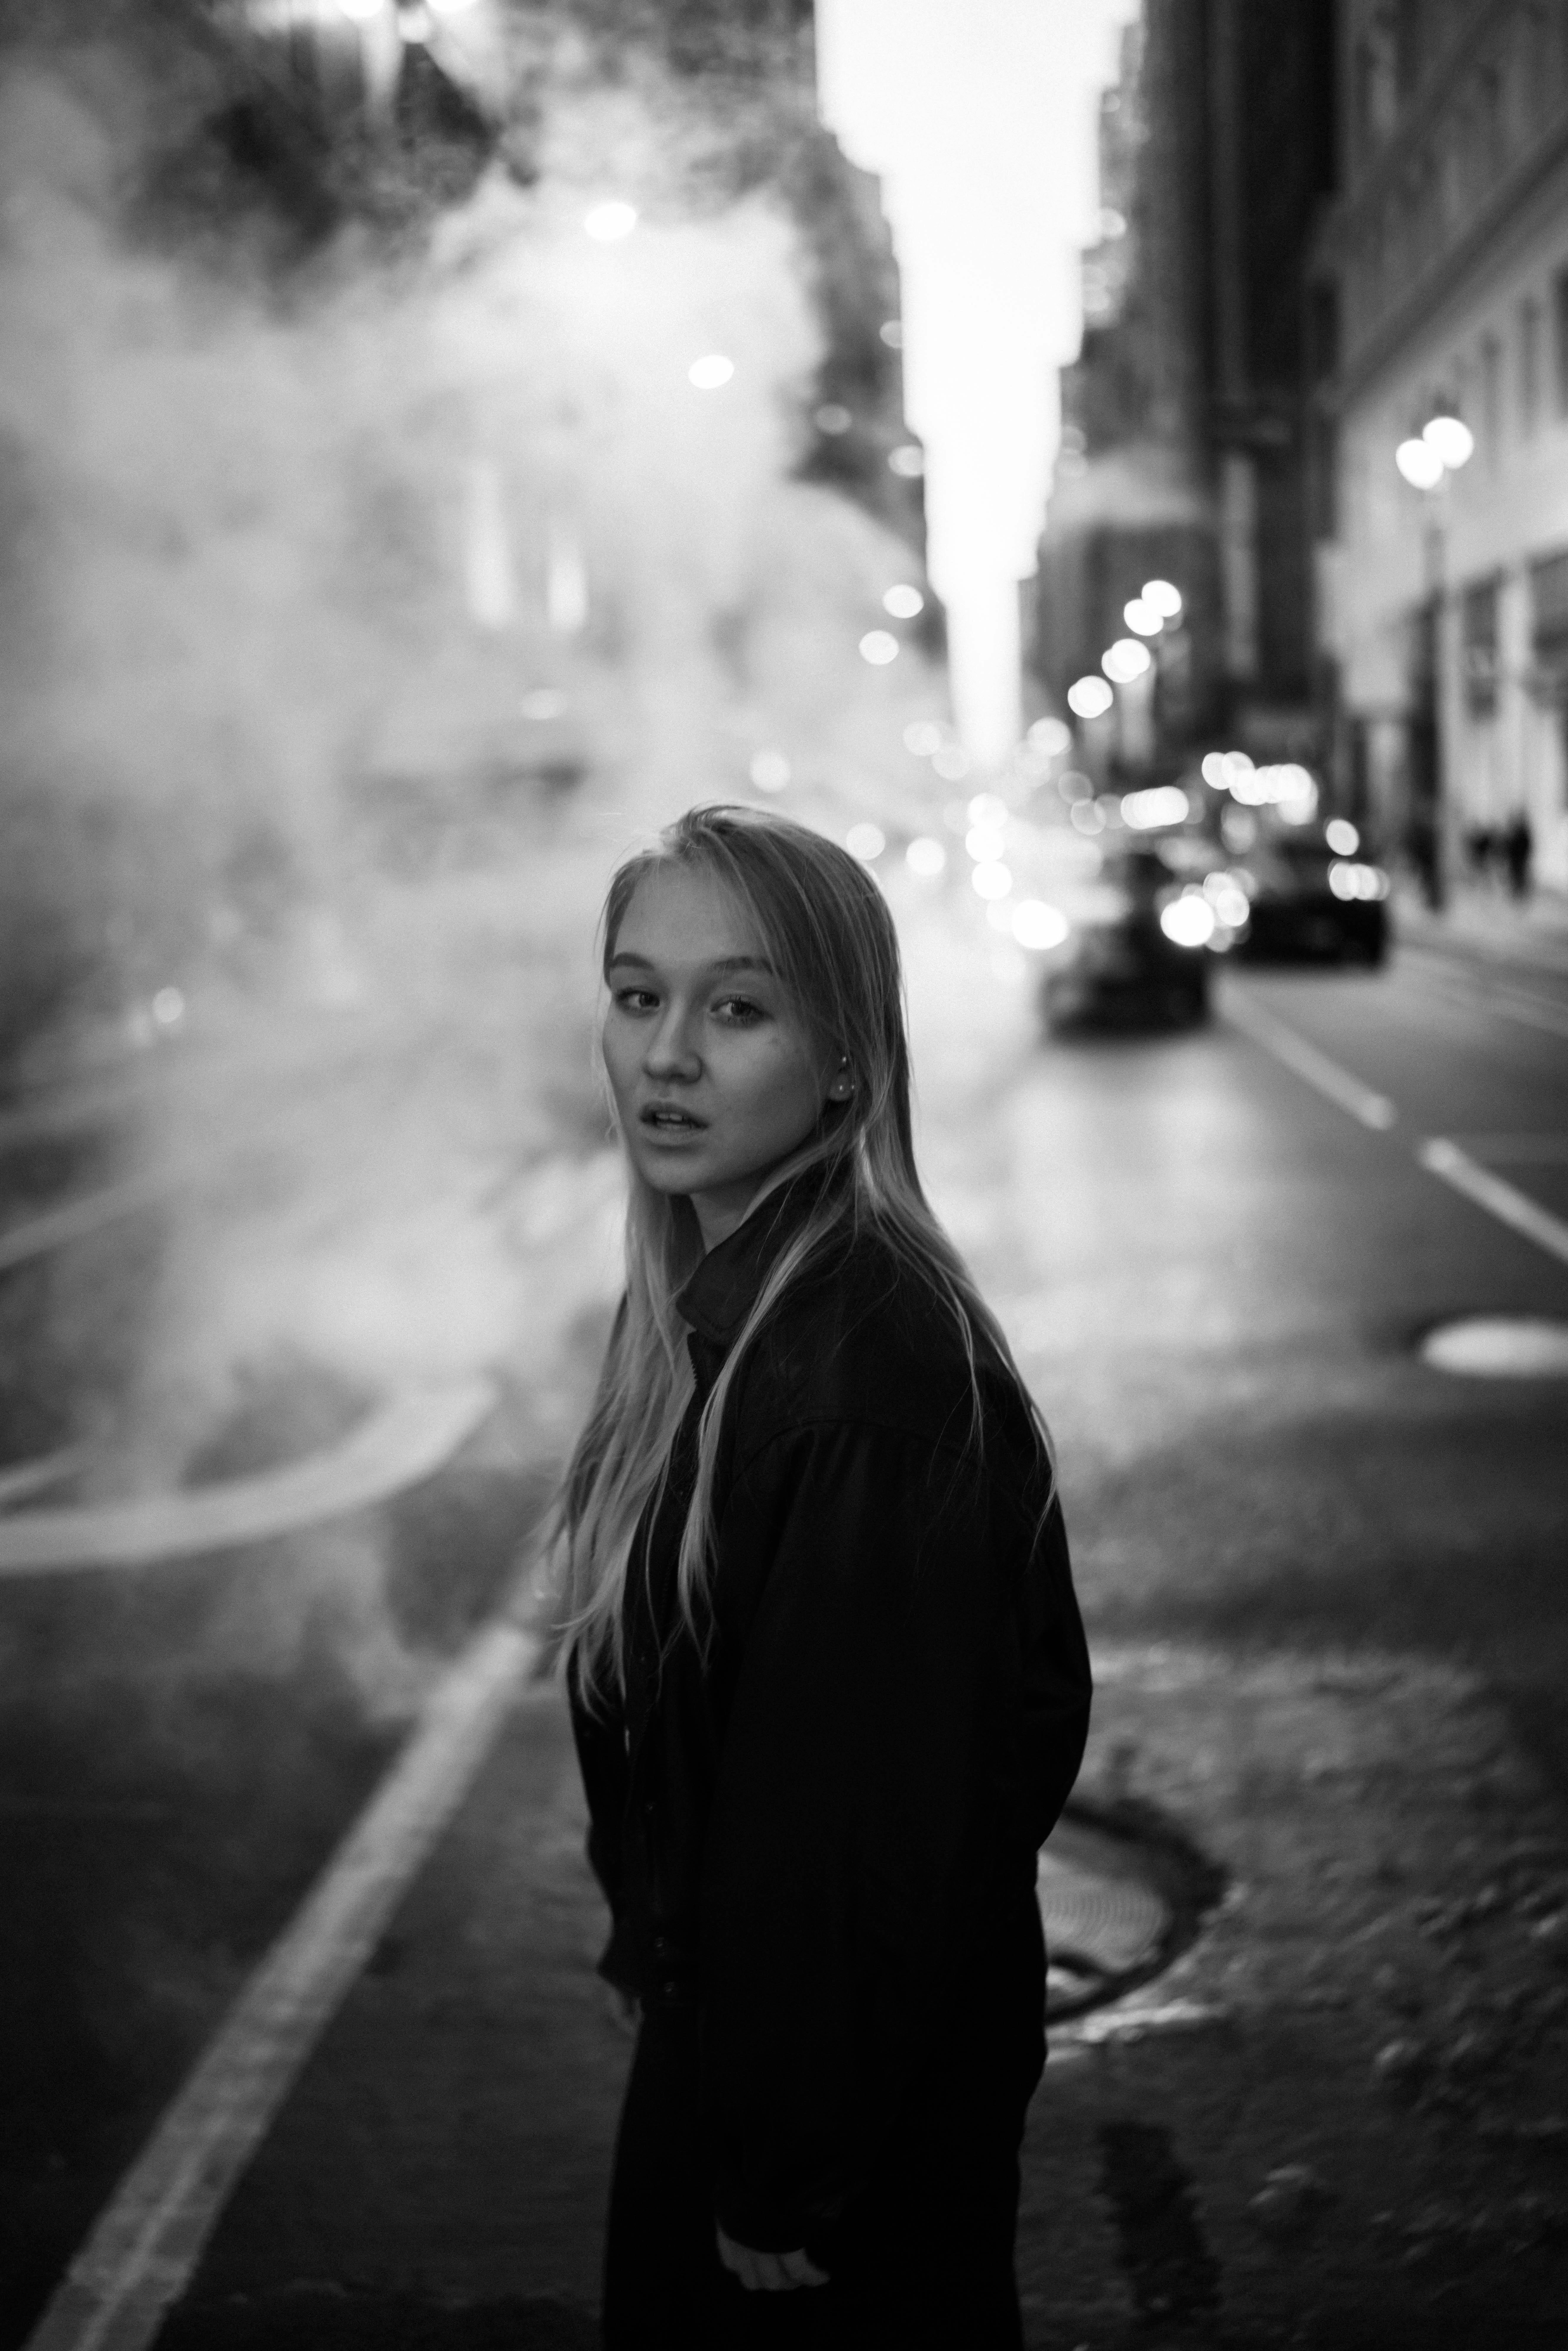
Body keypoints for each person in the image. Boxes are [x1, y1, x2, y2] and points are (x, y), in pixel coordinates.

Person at [550, 804, 1092, 2348]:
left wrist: (782, 2164)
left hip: (830, 2145)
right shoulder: (720, 1309)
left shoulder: (856, 1376)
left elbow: (859, 1827)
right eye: (637, 992)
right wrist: (650, 1932)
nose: (666, 1055)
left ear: (845, 1058)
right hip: (758, 2061)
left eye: (736, 1007)